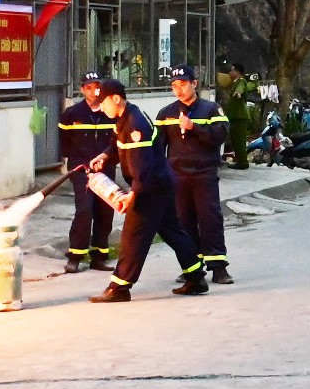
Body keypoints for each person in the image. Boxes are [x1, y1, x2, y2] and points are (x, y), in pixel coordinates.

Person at [86, 79, 206, 303]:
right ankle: (196, 276)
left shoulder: (135, 125)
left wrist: (134, 195)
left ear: (116, 99)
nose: (100, 108)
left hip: (151, 187)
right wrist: (105, 155)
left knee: (133, 236)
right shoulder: (124, 118)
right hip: (160, 183)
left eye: (103, 103)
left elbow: (143, 166)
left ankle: (120, 287)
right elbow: (116, 143)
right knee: (173, 230)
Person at [156, 66, 233, 285]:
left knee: (210, 218)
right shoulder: (166, 113)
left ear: (194, 84)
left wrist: (194, 128)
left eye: (182, 85)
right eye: (174, 86)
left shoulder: (210, 110)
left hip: (204, 173)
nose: (178, 90)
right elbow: (157, 147)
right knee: (183, 221)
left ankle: (218, 267)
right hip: (177, 176)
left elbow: (220, 136)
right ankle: (192, 267)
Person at [58, 72, 117, 273]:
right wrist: (75, 162)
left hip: (106, 168)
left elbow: (117, 142)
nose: (94, 91)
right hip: (81, 168)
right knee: (84, 210)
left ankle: (99, 256)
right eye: (89, 87)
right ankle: (75, 255)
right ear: (82, 89)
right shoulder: (72, 114)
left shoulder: (111, 112)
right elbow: (64, 141)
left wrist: (107, 159)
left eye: (98, 86)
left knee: (105, 211)